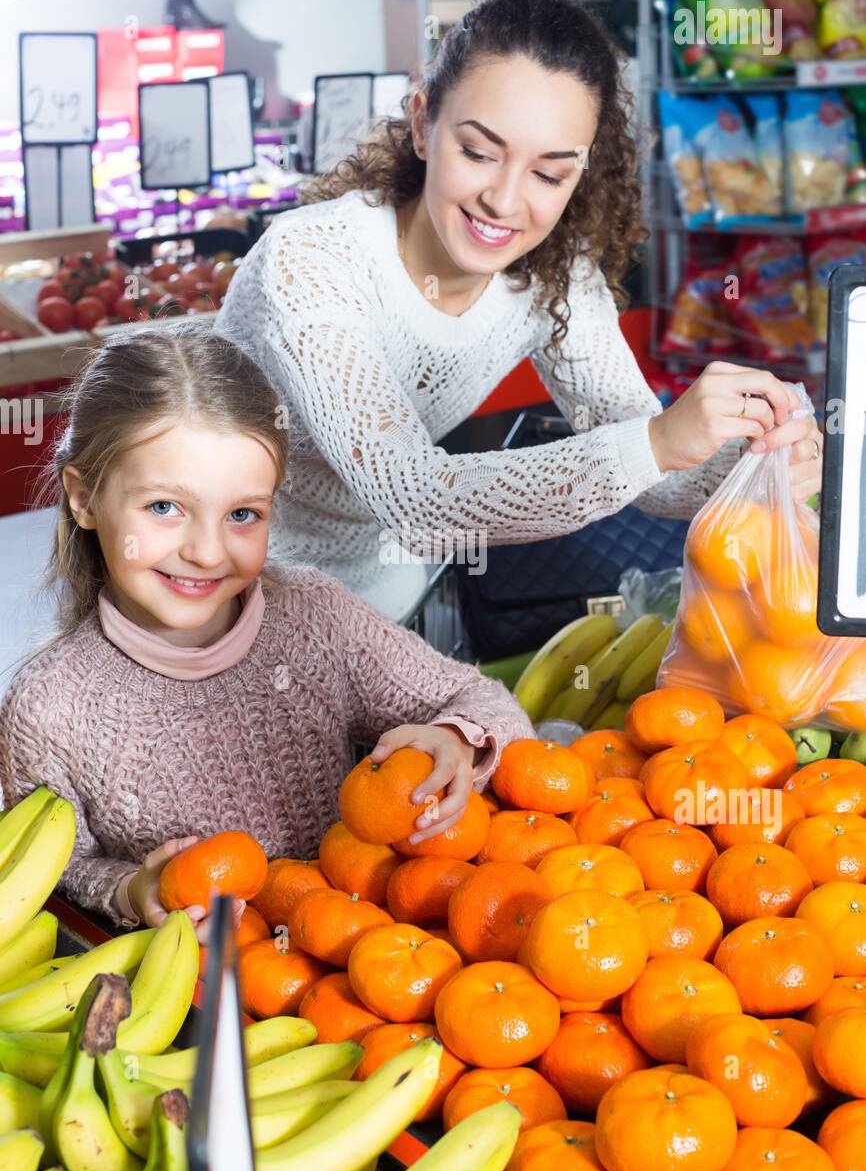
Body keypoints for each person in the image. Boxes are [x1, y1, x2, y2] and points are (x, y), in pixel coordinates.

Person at [217, 0, 823, 621]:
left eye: (549, 173)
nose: (504, 202)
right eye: (478, 153)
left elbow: (656, 472)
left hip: (383, 604)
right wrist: (660, 439)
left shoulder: (557, 275)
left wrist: (760, 455)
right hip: (222, 601)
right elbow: (417, 502)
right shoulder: (313, 257)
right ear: (424, 124)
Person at [0, 324, 531, 939]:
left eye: (242, 514)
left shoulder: (313, 618)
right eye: (165, 507)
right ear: (85, 499)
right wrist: (129, 888)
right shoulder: (49, 706)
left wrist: (457, 738)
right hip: (209, 1000)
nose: (205, 551)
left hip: (364, 963)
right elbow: (49, 870)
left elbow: (486, 700)